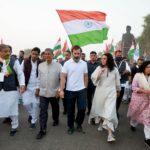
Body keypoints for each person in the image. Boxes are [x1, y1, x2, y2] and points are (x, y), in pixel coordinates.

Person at [88, 53, 121, 142]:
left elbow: (117, 82)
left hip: (111, 93)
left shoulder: (114, 70)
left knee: (109, 112)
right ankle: (102, 123)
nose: (102, 60)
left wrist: (118, 90)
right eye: (102, 58)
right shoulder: (99, 68)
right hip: (100, 92)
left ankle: (110, 134)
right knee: (102, 109)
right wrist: (99, 73)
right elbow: (94, 80)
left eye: (104, 58)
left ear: (109, 59)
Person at [60, 45, 88, 134]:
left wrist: (85, 87)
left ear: (80, 54)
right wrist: (61, 90)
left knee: (82, 109)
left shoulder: (84, 63)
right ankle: (71, 126)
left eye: (78, 53)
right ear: (72, 53)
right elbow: (63, 77)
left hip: (81, 90)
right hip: (69, 91)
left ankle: (79, 124)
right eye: (75, 53)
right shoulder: (67, 63)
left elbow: (86, 75)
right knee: (70, 111)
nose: (76, 55)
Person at [36, 48, 61, 139]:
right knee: (43, 111)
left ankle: (56, 119)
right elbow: (38, 78)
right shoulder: (40, 65)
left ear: (52, 55)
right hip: (43, 92)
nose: (47, 56)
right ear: (43, 55)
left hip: (54, 93)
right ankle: (42, 130)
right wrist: (37, 89)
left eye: (49, 54)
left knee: (55, 108)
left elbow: (61, 79)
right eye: (45, 54)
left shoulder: (58, 65)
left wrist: (59, 91)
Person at [0, 44, 25, 136]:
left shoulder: (13, 61)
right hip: (0, 90)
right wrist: (2, 75)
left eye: (9, 51)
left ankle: (14, 126)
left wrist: (22, 84)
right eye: (5, 51)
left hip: (11, 89)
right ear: (0, 52)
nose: (8, 53)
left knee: (12, 109)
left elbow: (20, 73)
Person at [127, 61, 150, 148]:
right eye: (147, 67)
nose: (149, 69)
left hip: (148, 101)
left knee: (147, 119)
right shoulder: (138, 75)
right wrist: (143, 90)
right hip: (138, 99)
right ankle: (133, 124)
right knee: (135, 115)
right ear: (143, 67)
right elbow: (133, 87)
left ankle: (148, 139)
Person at [22, 47, 42, 129]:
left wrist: (38, 88)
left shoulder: (41, 63)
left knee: (36, 104)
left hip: (36, 87)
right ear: (31, 53)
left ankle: (33, 121)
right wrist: (22, 85)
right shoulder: (25, 61)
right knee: (26, 103)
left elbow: (41, 77)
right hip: (27, 86)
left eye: (36, 54)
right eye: (33, 54)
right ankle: (32, 115)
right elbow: (21, 74)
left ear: (38, 55)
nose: (34, 56)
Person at [114, 50, 130, 119]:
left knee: (119, 98)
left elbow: (129, 71)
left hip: (122, 83)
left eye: (120, 55)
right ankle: (112, 111)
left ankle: (116, 110)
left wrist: (127, 71)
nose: (119, 56)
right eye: (118, 55)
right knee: (113, 98)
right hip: (113, 84)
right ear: (115, 55)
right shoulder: (111, 62)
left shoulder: (124, 63)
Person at [87, 51, 99, 115]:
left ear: (96, 56)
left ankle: (94, 111)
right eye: (91, 55)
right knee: (88, 99)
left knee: (96, 99)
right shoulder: (86, 64)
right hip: (88, 84)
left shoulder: (99, 64)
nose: (93, 57)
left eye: (94, 55)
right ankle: (89, 110)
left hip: (96, 85)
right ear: (90, 56)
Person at [60, 50, 71, 114]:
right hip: (63, 83)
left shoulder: (73, 62)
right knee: (64, 98)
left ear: (70, 55)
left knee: (70, 98)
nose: (66, 56)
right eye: (65, 55)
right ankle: (65, 109)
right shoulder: (61, 63)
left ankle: (70, 109)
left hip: (71, 83)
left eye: (67, 55)